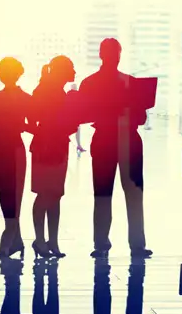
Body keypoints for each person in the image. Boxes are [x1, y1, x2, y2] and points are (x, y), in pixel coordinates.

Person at [79, 38, 151, 259]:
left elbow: (82, 115)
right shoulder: (131, 83)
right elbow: (141, 118)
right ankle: (137, 245)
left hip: (104, 140)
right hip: (129, 140)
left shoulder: (89, 83)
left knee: (102, 194)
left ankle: (101, 244)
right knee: (134, 195)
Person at [30, 56, 81, 258]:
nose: (74, 72)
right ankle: (42, 240)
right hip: (49, 147)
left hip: (52, 146)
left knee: (53, 194)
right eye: (71, 68)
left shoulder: (48, 90)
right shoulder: (52, 92)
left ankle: (49, 241)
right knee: (47, 194)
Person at [0, 57, 34, 257]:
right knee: (14, 191)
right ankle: (15, 237)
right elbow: (32, 125)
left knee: (6, 190)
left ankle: (9, 234)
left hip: (0, 146)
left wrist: (3, 121)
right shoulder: (25, 98)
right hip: (12, 146)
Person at [70, 83, 87, 156]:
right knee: (76, 131)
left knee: (77, 131)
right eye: (75, 87)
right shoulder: (75, 94)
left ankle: (79, 146)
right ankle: (79, 146)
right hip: (73, 117)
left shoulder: (69, 94)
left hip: (73, 117)